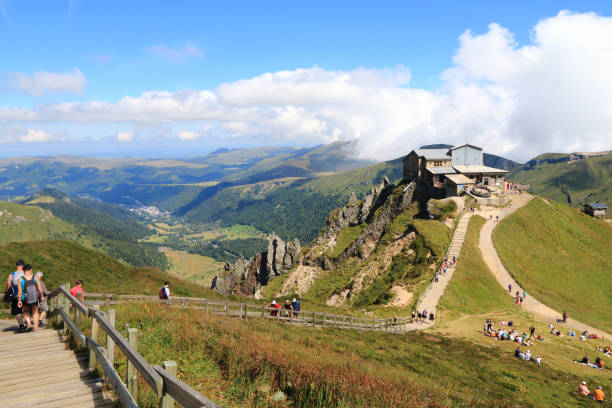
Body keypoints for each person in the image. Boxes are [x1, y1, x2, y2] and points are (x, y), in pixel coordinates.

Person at [17, 264, 45, 332]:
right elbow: (40, 288)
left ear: (23, 271)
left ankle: (28, 323)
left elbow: (20, 291)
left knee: (26, 311)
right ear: (31, 270)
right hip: (35, 297)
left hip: (25, 298)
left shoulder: (20, 279)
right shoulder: (35, 277)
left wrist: (19, 300)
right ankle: (35, 327)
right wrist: (42, 296)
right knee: (35, 312)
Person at [6, 259, 25, 332]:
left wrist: (8, 291)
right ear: (23, 266)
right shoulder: (26, 273)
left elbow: (8, 284)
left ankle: (21, 325)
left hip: (16, 296)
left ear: (16, 266)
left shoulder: (12, 275)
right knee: (26, 309)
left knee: (17, 311)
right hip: (26, 295)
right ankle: (28, 323)